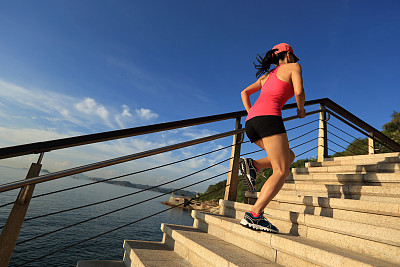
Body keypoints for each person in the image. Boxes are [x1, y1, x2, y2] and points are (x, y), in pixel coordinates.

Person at [239, 43, 305, 233]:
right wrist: (301, 110)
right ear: (289, 55)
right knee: (281, 170)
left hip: (251, 123)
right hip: (269, 119)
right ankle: (255, 215)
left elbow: (244, 92)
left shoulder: (266, 76)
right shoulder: (293, 67)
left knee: (288, 156)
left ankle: (255, 165)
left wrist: (252, 112)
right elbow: (299, 92)